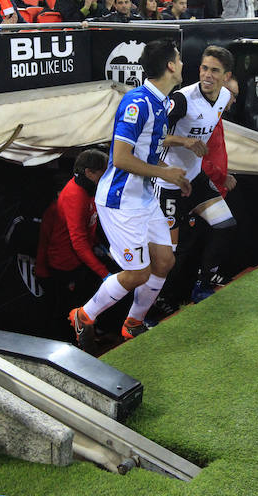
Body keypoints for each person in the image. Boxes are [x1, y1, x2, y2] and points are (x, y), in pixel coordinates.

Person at [68, 38, 190, 351]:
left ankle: (132, 323)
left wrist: (171, 174)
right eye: (179, 58)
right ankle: (84, 314)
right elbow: (120, 158)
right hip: (120, 202)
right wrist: (165, 173)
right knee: (137, 273)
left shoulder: (162, 102)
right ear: (170, 66)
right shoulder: (137, 102)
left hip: (145, 199)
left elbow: (147, 153)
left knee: (164, 261)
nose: (183, 63)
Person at [156, 45, 237, 303]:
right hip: (169, 182)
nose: (207, 75)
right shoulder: (182, 99)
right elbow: (153, 136)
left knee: (225, 225)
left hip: (195, 177)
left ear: (226, 76)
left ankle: (202, 284)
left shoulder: (224, 97)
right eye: (204, 68)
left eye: (215, 70)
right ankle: (156, 305)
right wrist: (184, 142)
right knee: (168, 255)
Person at [35, 149, 110, 341]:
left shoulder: (88, 190)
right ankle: (74, 344)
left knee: (87, 298)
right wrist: (103, 273)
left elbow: (89, 228)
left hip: (80, 259)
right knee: (70, 308)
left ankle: (91, 334)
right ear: (89, 172)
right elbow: (78, 242)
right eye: (103, 170)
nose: (106, 174)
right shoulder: (75, 196)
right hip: (66, 264)